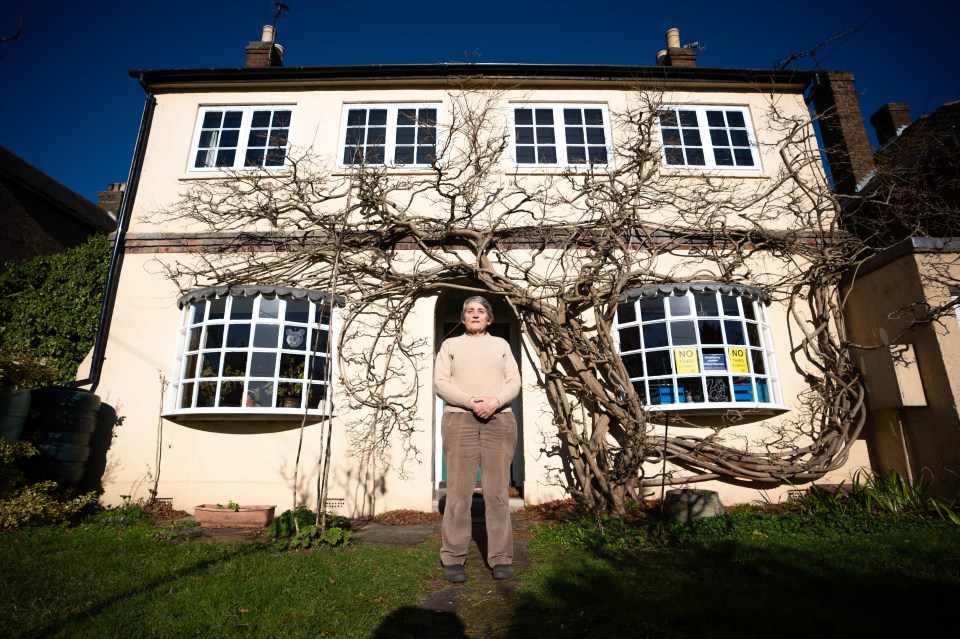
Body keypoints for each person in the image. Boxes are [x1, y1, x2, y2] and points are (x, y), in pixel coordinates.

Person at [434, 296, 521, 582]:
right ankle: (454, 557)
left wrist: (494, 401)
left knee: (497, 492)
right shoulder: (450, 346)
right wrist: (472, 402)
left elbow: (514, 382)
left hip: (499, 419)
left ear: (489, 319)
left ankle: (500, 557)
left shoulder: (501, 346)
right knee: (459, 491)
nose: (474, 314)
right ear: (462, 318)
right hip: (460, 419)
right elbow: (441, 383)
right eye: (469, 310)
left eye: (480, 311)